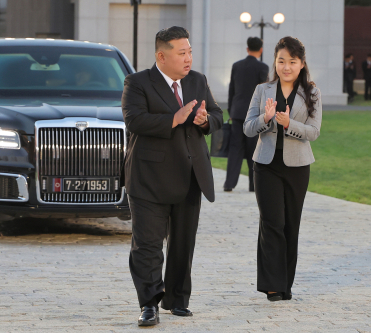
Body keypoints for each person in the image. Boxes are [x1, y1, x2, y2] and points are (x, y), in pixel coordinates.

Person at [121, 26, 223, 326]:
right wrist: (173, 119)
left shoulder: (198, 81)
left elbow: (218, 115)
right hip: (149, 178)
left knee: (182, 243)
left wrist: (206, 121)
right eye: (182, 53)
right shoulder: (137, 82)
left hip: (190, 175)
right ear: (161, 56)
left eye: (190, 51)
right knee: (148, 245)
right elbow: (134, 119)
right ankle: (149, 303)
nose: (188, 58)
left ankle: (177, 299)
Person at [244, 36, 322, 302]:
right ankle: (272, 286)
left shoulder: (311, 92)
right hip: (266, 165)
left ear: (301, 64)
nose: (286, 66)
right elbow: (247, 127)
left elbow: (313, 132)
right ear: (274, 62)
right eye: (281, 61)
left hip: (297, 167)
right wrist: (266, 119)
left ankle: (285, 284)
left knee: (291, 225)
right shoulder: (262, 90)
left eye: (292, 61)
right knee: (272, 223)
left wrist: (289, 124)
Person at [224, 37, 269, 192]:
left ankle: (229, 184)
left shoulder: (237, 66)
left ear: (247, 48)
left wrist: (231, 110)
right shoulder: (263, 67)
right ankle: (253, 185)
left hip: (237, 113)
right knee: (253, 150)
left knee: (235, 149)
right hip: (254, 115)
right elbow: (264, 92)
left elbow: (232, 90)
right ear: (261, 49)